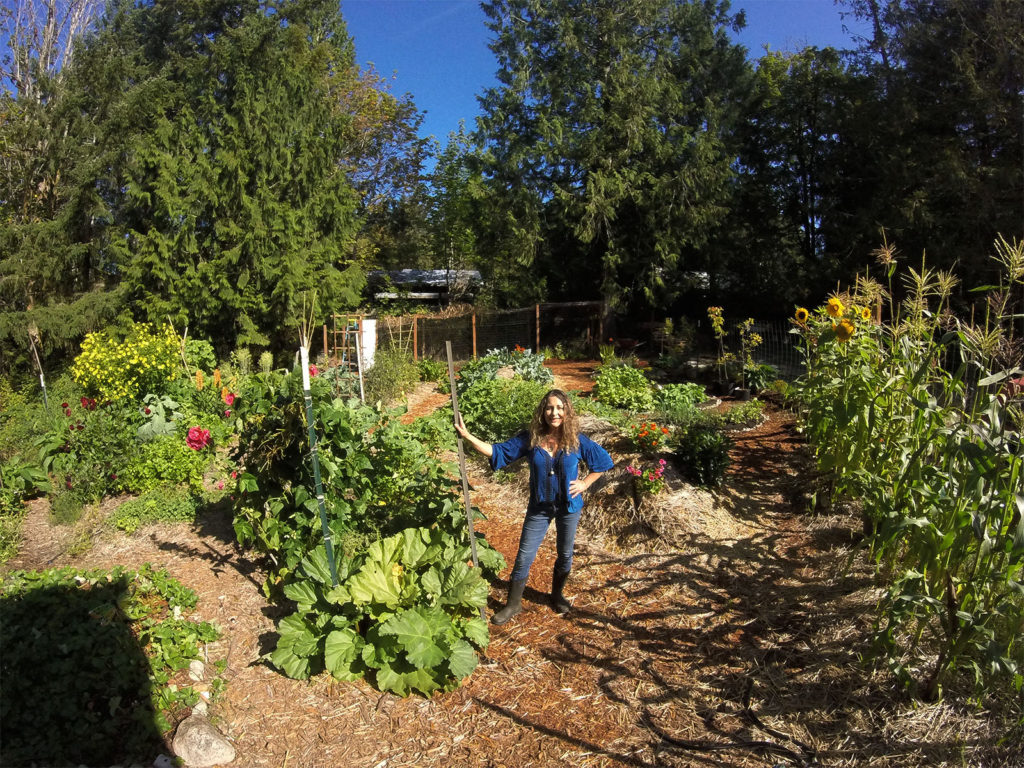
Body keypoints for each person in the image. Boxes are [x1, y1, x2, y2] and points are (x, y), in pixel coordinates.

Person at [454, 389, 614, 625]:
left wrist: (584, 483)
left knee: (565, 554)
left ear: (567, 411)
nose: (554, 413)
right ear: (543, 411)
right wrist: (468, 437)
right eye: (550, 408)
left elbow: (603, 462)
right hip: (539, 507)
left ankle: (556, 595)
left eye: (560, 408)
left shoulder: (577, 440)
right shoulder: (531, 438)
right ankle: (513, 604)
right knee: (524, 556)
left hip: (569, 507)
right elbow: (499, 452)